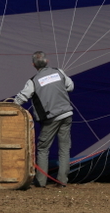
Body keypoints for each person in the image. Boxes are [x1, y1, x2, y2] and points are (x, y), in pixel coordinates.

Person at [13, 51, 74, 188]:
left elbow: (22, 98)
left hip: (51, 118)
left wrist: (11, 106)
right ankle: (63, 181)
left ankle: (41, 182)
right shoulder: (59, 72)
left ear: (33, 64)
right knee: (64, 148)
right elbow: (70, 87)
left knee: (43, 148)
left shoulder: (33, 81)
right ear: (47, 61)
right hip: (66, 114)